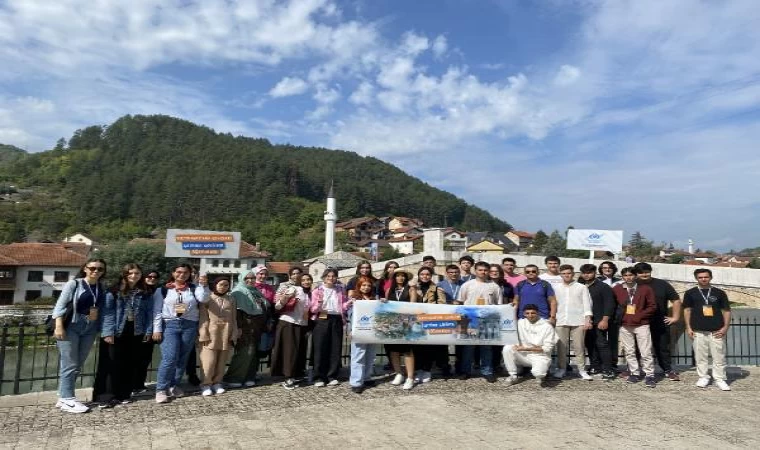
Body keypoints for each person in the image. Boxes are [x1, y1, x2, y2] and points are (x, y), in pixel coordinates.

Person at [52, 258, 108, 413]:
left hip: (90, 328)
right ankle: (68, 399)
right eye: (92, 268)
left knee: (77, 364)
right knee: (69, 363)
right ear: (85, 268)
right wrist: (59, 326)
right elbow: (60, 305)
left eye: (100, 269)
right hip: (71, 327)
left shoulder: (101, 287)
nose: (96, 271)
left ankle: (63, 396)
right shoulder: (74, 284)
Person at [95, 263, 154, 407]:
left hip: (135, 331)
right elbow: (107, 313)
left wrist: (148, 331)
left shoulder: (145, 292)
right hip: (117, 331)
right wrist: (108, 332)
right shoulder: (114, 291)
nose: (134, 276)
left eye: (137, 273)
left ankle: (124, 393)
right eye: (130, 273)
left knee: (130, 364)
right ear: (124, 274)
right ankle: (107, 396)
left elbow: (149, 313)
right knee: (111, 364)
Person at [152, 264, 210, 403]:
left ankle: (173, 385)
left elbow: (203, 299)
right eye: (178, 272)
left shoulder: (194, 288)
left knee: (182, 358)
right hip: (170, 325)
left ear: (189, 274)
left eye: (185, 272)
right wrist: (157, 329)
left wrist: (203, 285)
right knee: (169, 358)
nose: (182, 275)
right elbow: (157, 310)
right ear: (173, 273)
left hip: (189, 325)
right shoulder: (163, 290)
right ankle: (161, 389)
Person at [683, 269, 731, 391]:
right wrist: (688, 327)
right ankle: (703, 377)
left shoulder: (719, 293)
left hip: (716, 330)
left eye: (706, 277)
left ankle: (720, 379)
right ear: (696, 279)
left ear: (710, 277)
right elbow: (687, 310)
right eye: (700, 277)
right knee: (700, 356)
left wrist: (725, 327)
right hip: (698, 330)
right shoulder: (690, 293)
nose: (703, 279)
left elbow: (726, 311)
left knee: (719, 356)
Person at [634, 262, 682, 381]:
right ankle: (635, 370)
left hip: (659, 321)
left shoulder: (662, 284)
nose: (644, 274)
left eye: (646, 271)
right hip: (638, 321)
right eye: (641, 272)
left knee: (662, 347)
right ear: (636, 273)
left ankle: (667, 369)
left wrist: (675, 317)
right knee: (636, 347)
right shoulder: (632, 284)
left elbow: (676, 300)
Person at [223, 268, 270, 389]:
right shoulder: (238, 292)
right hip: (245, 326)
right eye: (247, 278)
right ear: (241, 279)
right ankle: (234, 377)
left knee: (254, 353)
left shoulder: (255, 291)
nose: (250, 280)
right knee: (245, 352)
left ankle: (249, 376)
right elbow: (236, 312)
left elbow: (264, 307)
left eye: (252, 278)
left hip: (258, 326)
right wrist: (238, 328)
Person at [455, 261, 501, 382]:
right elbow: (460, 301)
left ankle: (487, 371)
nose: (483, 272)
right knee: (468, 347)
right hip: (470, 320)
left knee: (486, 347)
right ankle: (466, 370)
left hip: (488, 320)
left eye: (485, 270)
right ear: (475, 271)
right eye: (480, 270)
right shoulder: (467, 285)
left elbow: (499, 304)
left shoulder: (494, 286)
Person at [613, 267, 657, 387]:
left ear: (635, 276)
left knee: (645, 351)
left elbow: (652, 306)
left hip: (642, 324)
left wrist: (640, 315)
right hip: (625, 324)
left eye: (630, 275)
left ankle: (649, 375)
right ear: (622, 277)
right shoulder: (617, 289)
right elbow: (614, 305)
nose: (628, 277)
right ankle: (634, 373)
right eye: (625, 275)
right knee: (629, 351)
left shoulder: (645, 289)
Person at [309, 268, 351, 387]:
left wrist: (348, 303)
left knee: (335, 348)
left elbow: (342, 306)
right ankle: (319, 377)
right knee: (320, 348)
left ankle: (332, 375)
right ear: (324, 277)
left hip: (336, 318)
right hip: (322, 319)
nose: (331, 278)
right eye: (328, 276)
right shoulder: (317, 290)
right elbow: (313, 309)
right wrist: (319, 303)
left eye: (333, 276)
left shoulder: (340, 289)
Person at [271, 269, 311, 390]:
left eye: (308, 279)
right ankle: (287, 377)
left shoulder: (310, 293)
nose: (306, 282)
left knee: (299, 351)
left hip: (301, 324)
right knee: (289, 351)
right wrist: (286, 297)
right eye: (303, 280)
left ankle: (296, 374)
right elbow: (278, 305)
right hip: (288, 322)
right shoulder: (294, 289)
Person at [552, 265, 593, 380]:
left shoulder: (581, 287)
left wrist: (588, 319)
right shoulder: (556, 288)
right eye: (564, 273)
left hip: (578, 320)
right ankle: (562, 368)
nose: (566, 275)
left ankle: (582, 370)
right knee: (561, 347)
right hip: (561, 320)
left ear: (573, 274)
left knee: (579, 346)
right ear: (560, 274)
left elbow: (587, 304)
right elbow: (553, 304)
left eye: (568, 273)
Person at [198, 277, 237, 396]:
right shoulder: (207, 298)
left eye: (226, 285)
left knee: (222, 360)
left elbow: (234, 317)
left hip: (226, 332)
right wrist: (203, 333)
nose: (223, 287)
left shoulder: (231, 299)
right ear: (215, 285)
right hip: (211, 332)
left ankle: (217, 382)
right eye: (221, 285)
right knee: (208, 361)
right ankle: (206, 383)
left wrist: (234, 333)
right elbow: (203, 317)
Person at [503, 304, 557, 386]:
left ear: (538, 313)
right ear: (524, 314)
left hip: (540, 356)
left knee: (538, 373)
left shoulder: (547, 326)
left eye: (533, 313)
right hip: (524, 355)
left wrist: (526, 348)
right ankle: (513, 375)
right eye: (527, 313)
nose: (530, 315)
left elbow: (547, 349)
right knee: (507, 348)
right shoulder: (520, 323)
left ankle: (542, 373)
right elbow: (509, 321)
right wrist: (511, 308)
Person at [579, 264, 617, 379]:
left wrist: (605, 319)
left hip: (598, 320)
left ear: (595, 273)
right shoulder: (580, 286)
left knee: (602, 345)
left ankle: (608, 369)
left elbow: (609, 304)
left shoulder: (603, 287)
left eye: (589, 272)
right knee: (589, 345)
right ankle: (595, 366)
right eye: (584, 272)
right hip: (585, 321)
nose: (587, 275)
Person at [413, 267, 448, 383]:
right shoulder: (413, 288)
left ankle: (427, 370)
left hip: (431, 321)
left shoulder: (438, 288)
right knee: (417, 347)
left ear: (431, 275)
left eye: (427, 274)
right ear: (418, 275)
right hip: (416, 321)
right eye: (422, 274)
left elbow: (442, 305)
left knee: (429, 347)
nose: (425, 276)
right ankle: (418, 370)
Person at [384, 269, 417, 390]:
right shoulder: (389, 290)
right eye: (398, 276)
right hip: (393, 323)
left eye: (403, 276)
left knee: (407, 351)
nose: (400, 278)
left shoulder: (411, 289)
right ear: (394, 278)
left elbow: (413, 306)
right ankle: (399, 373)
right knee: (393, 350)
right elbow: (386, 305)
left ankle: (410, 377)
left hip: (406, 322)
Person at [348, 276, 379, 393]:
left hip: (372, 331)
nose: (366, 288)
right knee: (358, 355)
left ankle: (366, 377)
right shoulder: (354, 298)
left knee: (370, 355)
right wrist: (351, 330)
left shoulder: (374, 299)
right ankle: (356, 382)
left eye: (368, 285)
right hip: (359, 330)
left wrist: (383, 302)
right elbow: (350, 316)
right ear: (359, 286)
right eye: (363, 285)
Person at [134, 270, 160, 394]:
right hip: (139, 329)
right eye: (149, 276)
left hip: (151, 329)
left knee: (145, 358)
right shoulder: (140, 291)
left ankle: (139, 383)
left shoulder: (158, 291)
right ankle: (134, 384)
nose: (152, 278)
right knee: (136, 357)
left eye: (155, 277)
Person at [597, 261, 622, 370]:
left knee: (613, 340)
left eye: (610, 267)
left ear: (613, 269)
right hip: (599, 314)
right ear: (601, 269)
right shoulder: (596, 281)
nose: (607, 269)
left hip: (615, 314)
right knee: (599, 340)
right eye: (604, 268)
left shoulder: (620, 282)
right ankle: (599, 362)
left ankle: (612, 363)